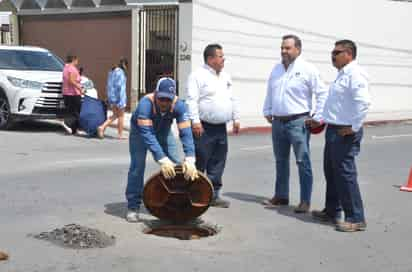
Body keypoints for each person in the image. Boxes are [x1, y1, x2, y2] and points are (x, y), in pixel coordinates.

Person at [309, 40, 371, 232]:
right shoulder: (341, 75)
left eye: (337, 52)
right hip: (334, 129)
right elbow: (334, 105)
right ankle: (332, 211)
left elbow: (364, 102)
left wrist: (354, 127)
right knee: (331, 172)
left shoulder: (355, 74)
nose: (332, 55)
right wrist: (320, 119)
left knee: (345, 175)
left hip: (345, 131)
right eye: (332, 52)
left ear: (349, 54)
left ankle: (356, 218)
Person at [262, 34, 328, 213]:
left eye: (287, 48)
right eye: (282, 47)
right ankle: (281, 196)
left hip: (298, 122)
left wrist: (318, 116)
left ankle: (305, 200)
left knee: (302, 161)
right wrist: (267, 110)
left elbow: (322, 93)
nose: (283, 51)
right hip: (278, 122)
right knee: (280, 161)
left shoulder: (308, 69)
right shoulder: (276, 69)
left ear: (298, 49)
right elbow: (270, 91)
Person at [125, 77, 198, 222]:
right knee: (137, 167)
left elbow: (186, 134)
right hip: (140, 133)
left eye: (168, 100)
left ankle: (178, 205)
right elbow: (148, 135)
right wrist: (162, 159)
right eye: (162, 99)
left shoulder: (180, 106)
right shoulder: (145, 104)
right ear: (156, 94)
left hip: (164, 131)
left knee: (177, 165)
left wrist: (190, 158)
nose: (164, 103)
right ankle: (133, 206)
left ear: (174, 98)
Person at [186, 43, 240, 208]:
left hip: (220, 128)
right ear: (210, 59)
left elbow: (232, 98)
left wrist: (236, 118)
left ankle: (214, 195)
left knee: (218, 161)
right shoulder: (197, 76)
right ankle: (194, 194)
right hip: (203, 127)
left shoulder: (225, 77)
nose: (224, 59)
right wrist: (195, 121)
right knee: (200, 160)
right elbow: (191, 100)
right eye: (220, 56)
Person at [97, 58, 128, 139]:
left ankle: (102, 127)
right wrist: (121, 100)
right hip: (119, 97)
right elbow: (121, 87)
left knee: (115, 115)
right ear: (124, 65)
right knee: (121, 116)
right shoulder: (121, 73)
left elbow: (109, 86)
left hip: (112, 97)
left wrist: (109, 97)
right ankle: (120, 135)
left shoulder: (111, 72)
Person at [61, 54, 84, 135]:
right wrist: (80, 88)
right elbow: (71, 80)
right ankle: (67, 123)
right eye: (77, 60)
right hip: (73, 93)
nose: (78, 61)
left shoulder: (65, 67)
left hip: (66, 93)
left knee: (72, 112)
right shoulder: (71, 68)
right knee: (78, 111)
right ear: (74, 59)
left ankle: (74, 130)